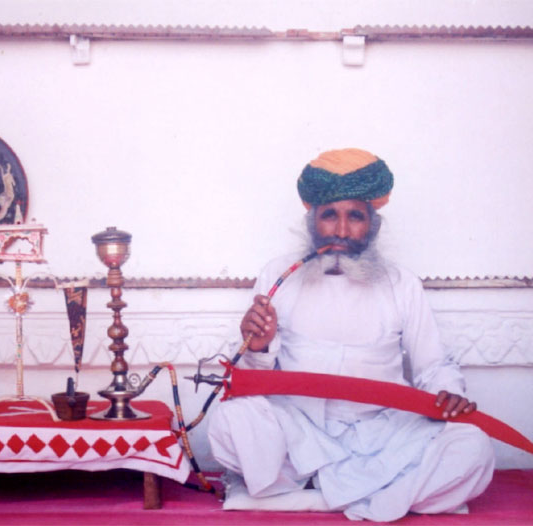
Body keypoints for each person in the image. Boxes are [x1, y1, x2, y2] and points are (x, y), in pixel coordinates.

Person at [207, 148, 495, 522]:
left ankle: (312, 494)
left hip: (383, 436)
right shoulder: (277, 276)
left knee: (473, 446)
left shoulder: (400, 284)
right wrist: (257, 347)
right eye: (330, 215)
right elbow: (251, 379)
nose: (342, 231)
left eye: (355, 216)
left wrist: (449, 392)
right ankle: (379, 495)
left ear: (372, 224)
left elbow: (433, 365)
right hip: (300, 436)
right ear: (312, 221)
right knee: (229, 419)